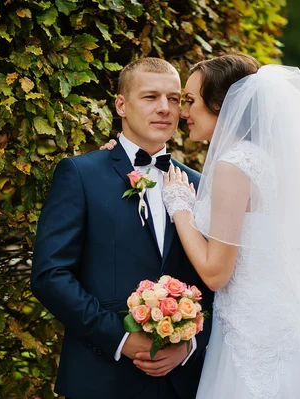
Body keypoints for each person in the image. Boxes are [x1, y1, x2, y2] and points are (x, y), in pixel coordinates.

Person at [104, 53, 300, 398]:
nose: (182, 113)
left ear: (221, 104)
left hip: (253, 337)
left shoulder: (233, 165)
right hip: (281, 321)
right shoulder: (268, 160)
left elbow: (215, 274)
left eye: (189, 100)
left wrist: (180, 207)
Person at [31, 58, 214, 399]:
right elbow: (50, 275)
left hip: (183, 383)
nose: (165, 109)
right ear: (121, 105)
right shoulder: (81, 175)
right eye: (150, 97)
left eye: (174, 99)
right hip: (102, 377)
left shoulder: (199, 185)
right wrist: (121, 338)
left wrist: (188, 345)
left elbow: (219, 282)